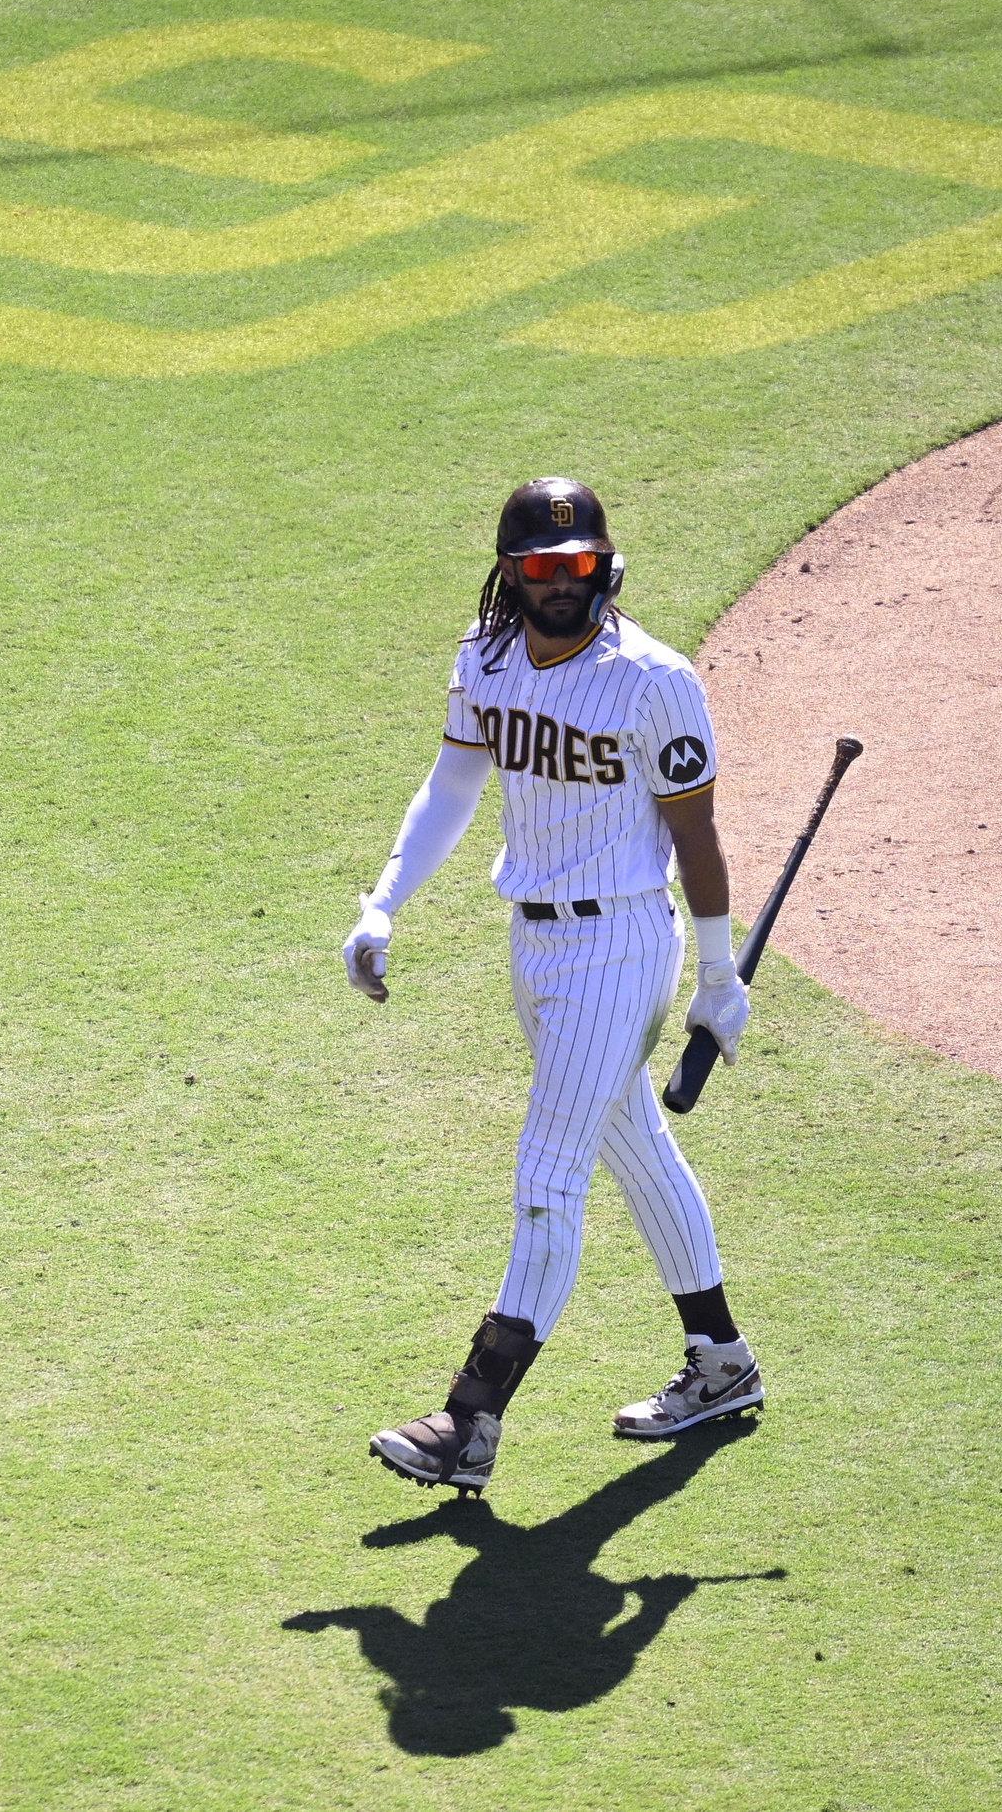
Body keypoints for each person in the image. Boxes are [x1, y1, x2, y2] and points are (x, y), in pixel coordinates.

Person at [341, 477, 761, 1493]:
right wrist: (383, 902)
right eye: (539, 567)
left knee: (547, 1178)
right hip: (534, 946)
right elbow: (452, 784)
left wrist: (718, 974)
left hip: (621, 945)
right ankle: (720, 1360)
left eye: (577, 565)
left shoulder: (653, 679)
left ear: (604, 565)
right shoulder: (485, 658)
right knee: (631, 1141)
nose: (560, 583)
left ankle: (469, 1420)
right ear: (509, 571)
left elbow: (695, 833)